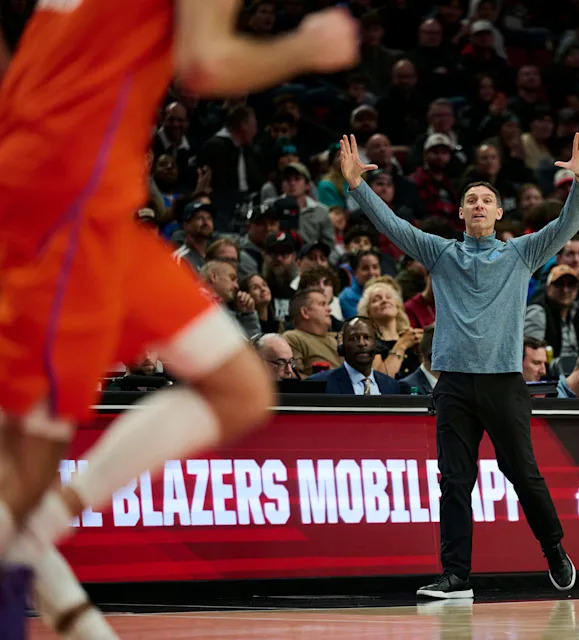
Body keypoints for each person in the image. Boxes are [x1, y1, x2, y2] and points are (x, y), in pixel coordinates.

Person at [0, 1, 360, 637]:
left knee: (242, 387)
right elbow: (207, 63)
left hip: (87, 201)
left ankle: (56, 560)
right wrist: (306, 47)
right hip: (62, 203)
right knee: (22, 473)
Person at [341, 131, 579, 598]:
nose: (478, 205)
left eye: (486, 200)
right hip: (454, 383)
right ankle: (457, 577)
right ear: (460, 214)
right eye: (470, 200)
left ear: (498, 213)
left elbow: (565, 228)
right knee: (454, 482)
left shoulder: (521, 252)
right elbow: (393, 227)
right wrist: (358, 188)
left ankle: (554, 549)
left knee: (523, 474)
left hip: (503, 383)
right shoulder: (441, 253)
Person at [309, 316, 409, 395]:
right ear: (342, 345)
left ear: (377, 344)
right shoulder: (319, 384)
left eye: (367, 337)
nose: (362, 343)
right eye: (353, 338)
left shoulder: (392, 386)